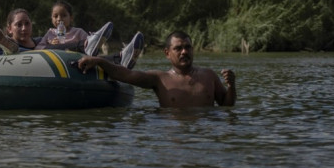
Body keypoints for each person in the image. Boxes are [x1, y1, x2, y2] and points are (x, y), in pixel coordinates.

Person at [77, 30, 236, 108]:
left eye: (188, 47)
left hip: (204, 139)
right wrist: (99, 61)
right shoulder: (160, 79)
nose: (184, 52)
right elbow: (126, 74)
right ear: (167, 53)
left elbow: (227, 106)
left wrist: (231, 86)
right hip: (173, 140)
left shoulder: (208, 75)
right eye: (178, 48)